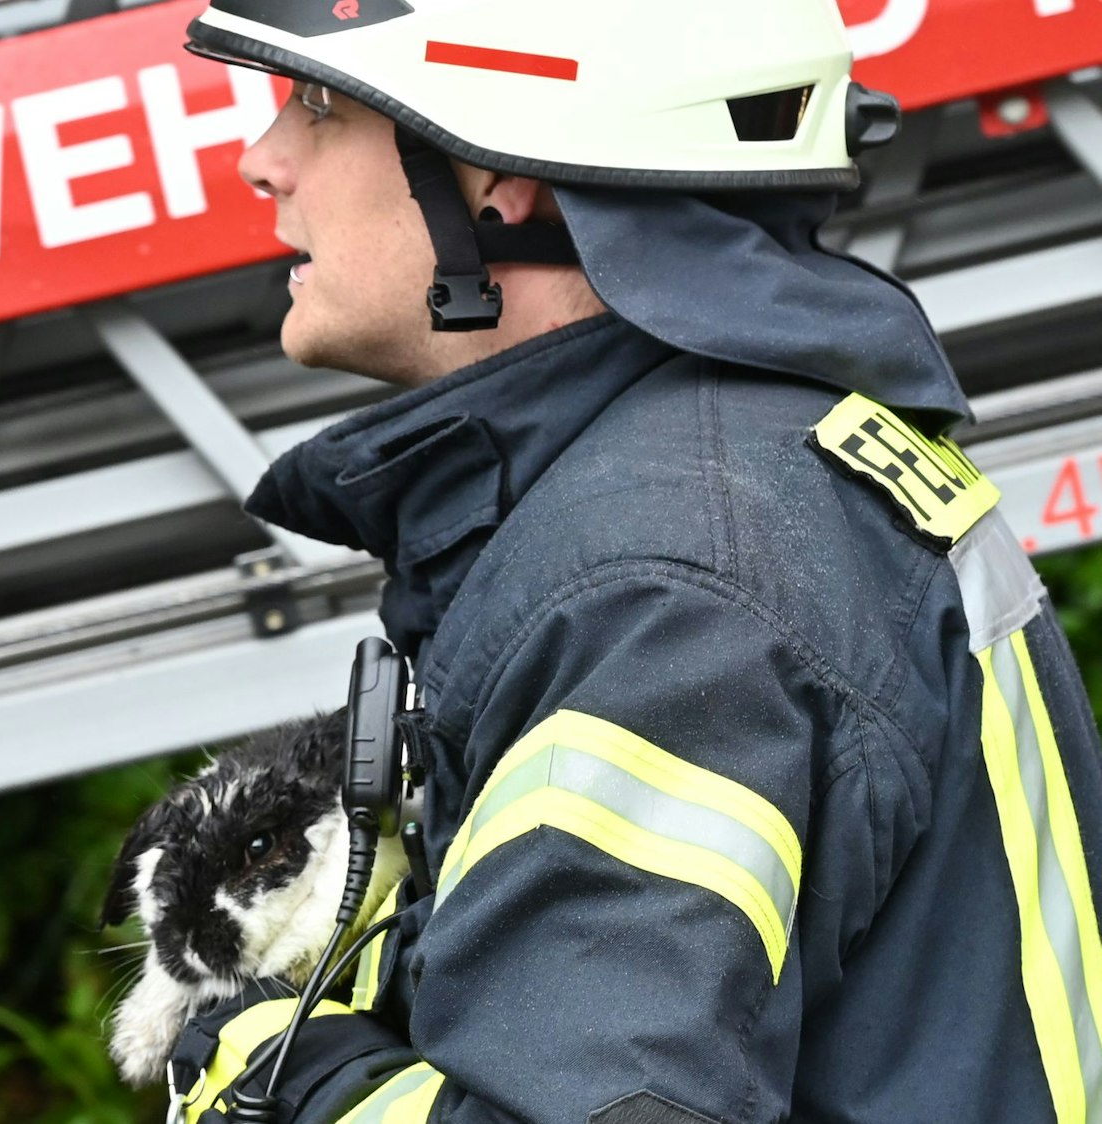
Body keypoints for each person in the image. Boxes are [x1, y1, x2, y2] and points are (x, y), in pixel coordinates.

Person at [162, 1, 1102, 1123]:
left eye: (319, 104)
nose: (262, 159)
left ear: (499, 175)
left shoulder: (659, 590)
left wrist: (276, 1073)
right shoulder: (739, 470)